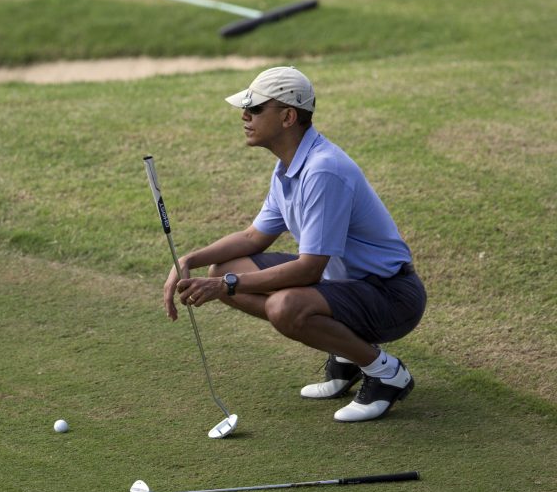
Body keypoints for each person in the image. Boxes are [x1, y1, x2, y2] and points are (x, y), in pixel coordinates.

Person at [163, 66, 426, 422]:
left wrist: (223, 286)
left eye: (255, 109)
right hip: (345, 286)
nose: (244, 115)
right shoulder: (288, 165)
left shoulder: (323, 170)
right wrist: (189, 259)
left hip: (390, 296)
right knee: (224, 268)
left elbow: (308, 268)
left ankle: (386, 373)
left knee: (283, 306)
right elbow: (253, 237)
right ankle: (347, 356)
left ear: (288, 116)